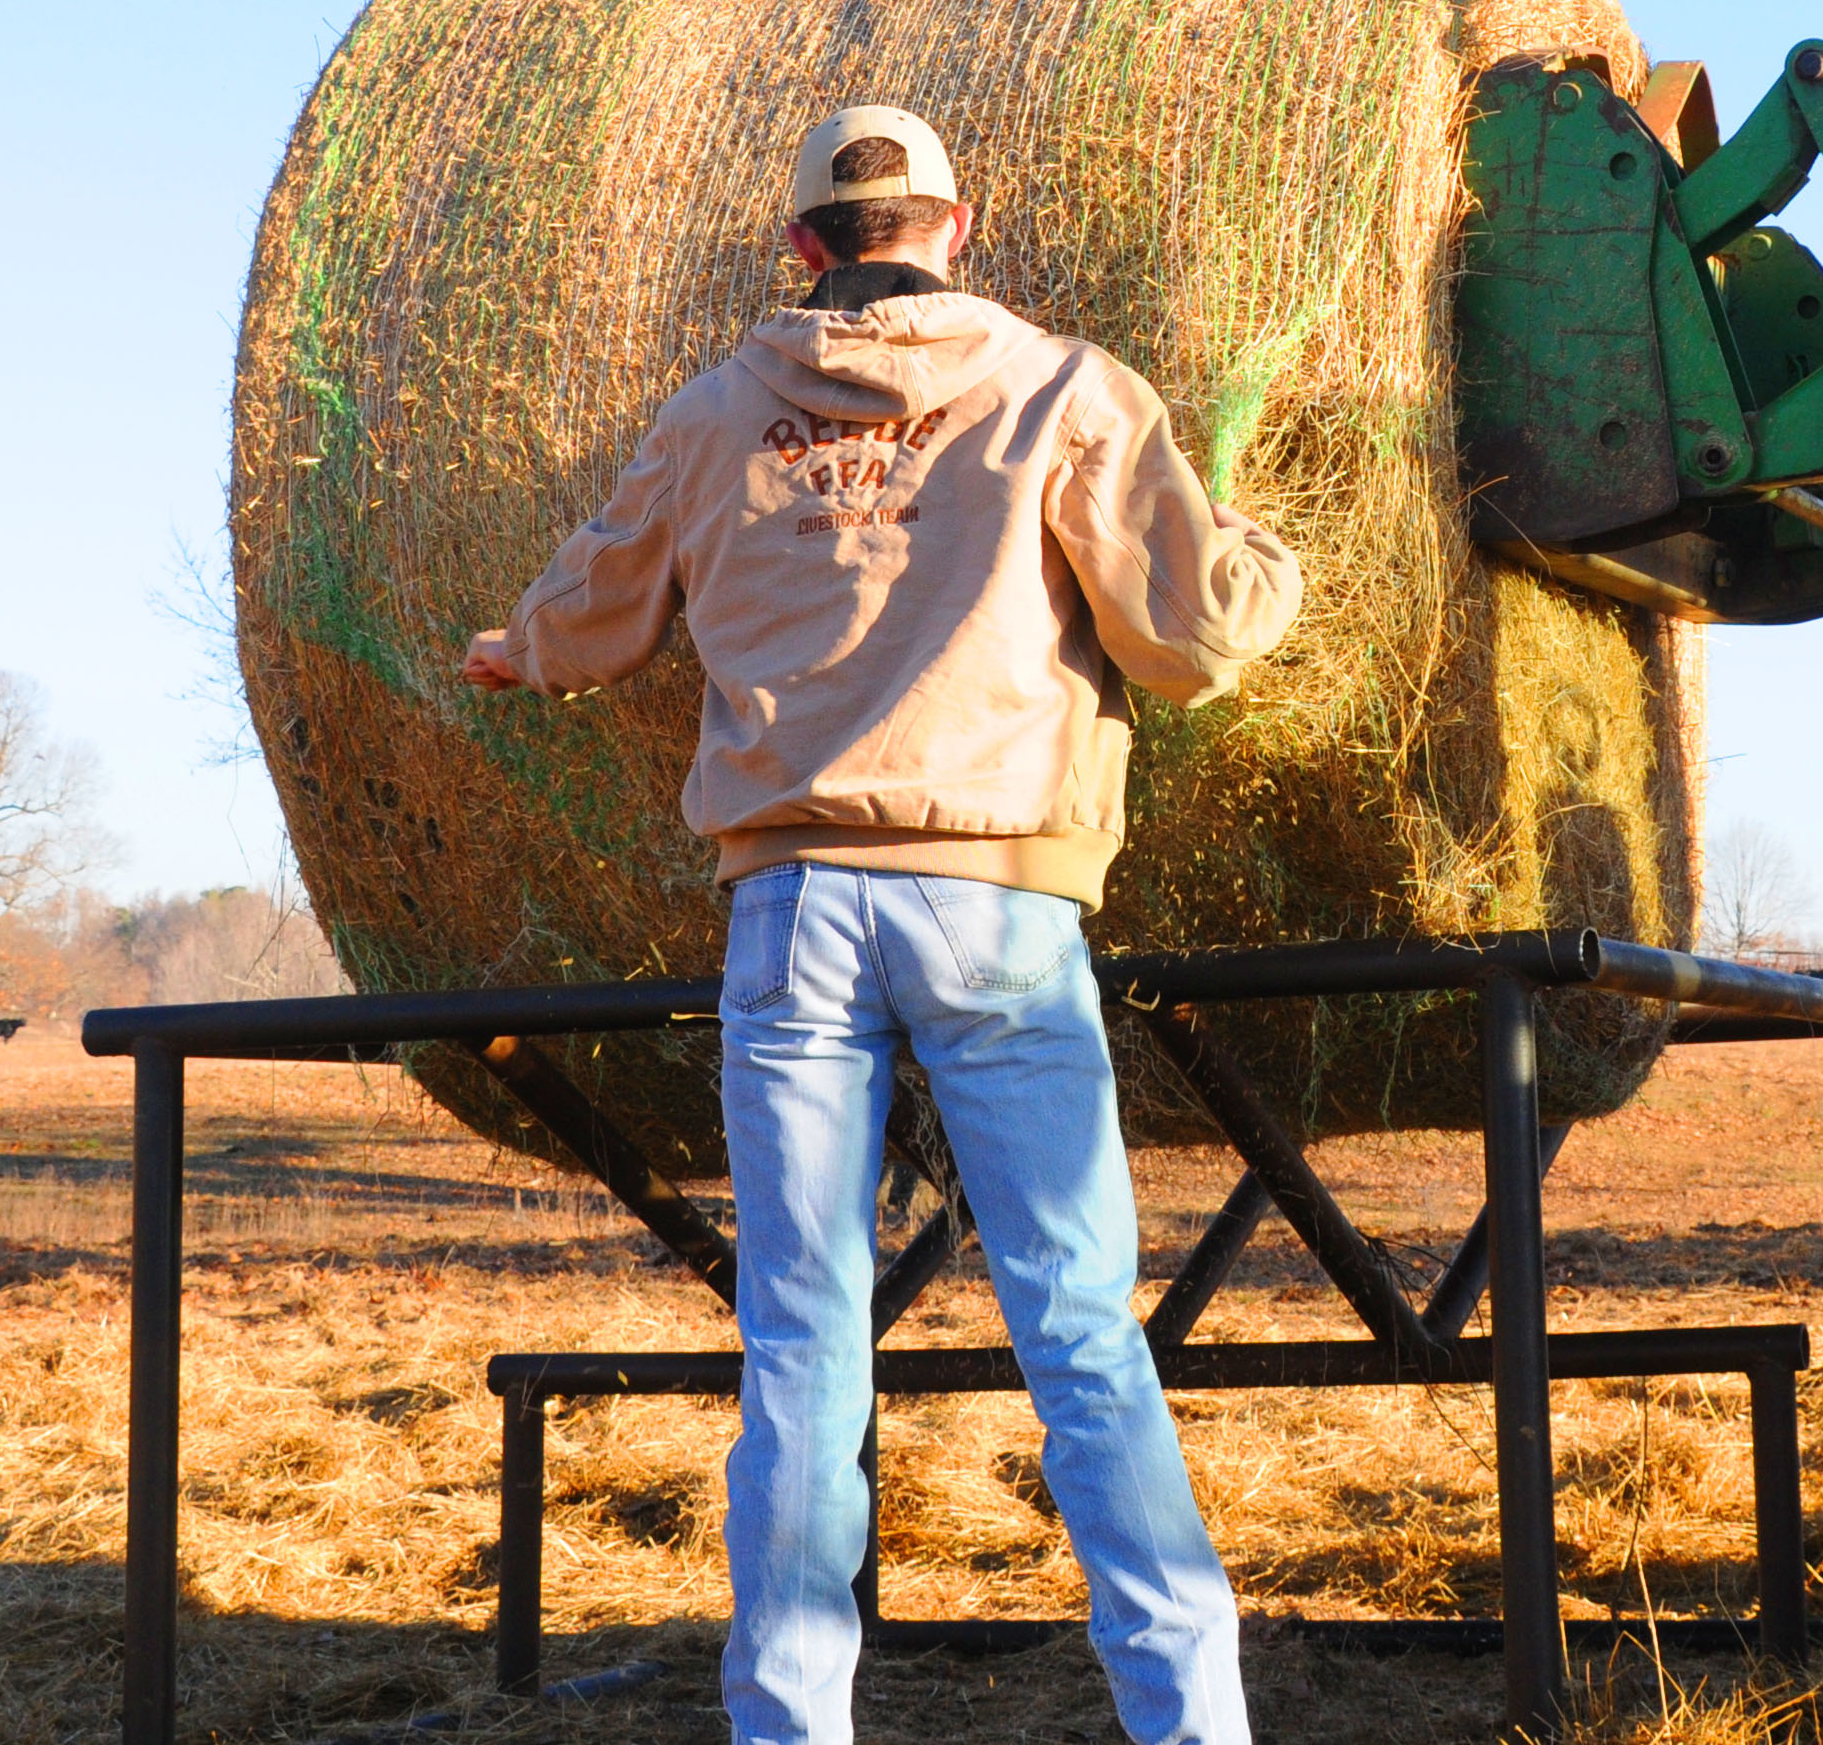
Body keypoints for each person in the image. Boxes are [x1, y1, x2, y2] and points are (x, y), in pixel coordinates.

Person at [459, 102, 1300, 1745]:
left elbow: (598, 607)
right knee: (1078, 1331)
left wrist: (520, 650)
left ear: (804, 249)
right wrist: (1270, 560)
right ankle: (1190, 1722)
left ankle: (789, 1724)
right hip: (997, 903)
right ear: (954, 228)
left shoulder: (717, 415)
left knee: (801, 1344)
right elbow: (1193, 636)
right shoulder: (1064, 391)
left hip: (790, 914)